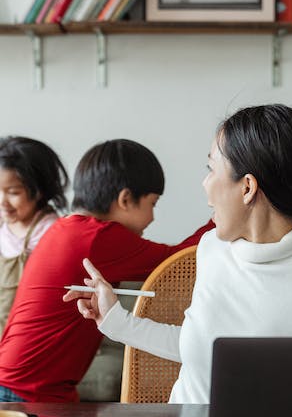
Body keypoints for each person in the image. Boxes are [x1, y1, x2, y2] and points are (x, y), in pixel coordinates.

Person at [64, 104, 292, 404]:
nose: (205, 185)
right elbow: (199, 347)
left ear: (247, 187)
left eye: (211, 169)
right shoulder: (212, 249)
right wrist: (115, 320)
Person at [0, 138, 214, 403]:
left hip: (23, 382)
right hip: (25, 391)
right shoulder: (97, 238)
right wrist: (223, 214)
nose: (153, 218)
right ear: (125, 199)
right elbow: (178, 263)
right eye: (153, 204)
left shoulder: (68, 229)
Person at [0, 136, 68, 334]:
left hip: (23, 333)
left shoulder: (50, 231)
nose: (2, 201)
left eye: (13, 192)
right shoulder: (3, 224)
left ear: (39, 191)